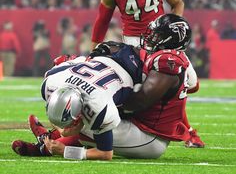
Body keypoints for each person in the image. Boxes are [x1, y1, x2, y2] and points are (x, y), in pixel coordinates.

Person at [12, 14, 203, 160]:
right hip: (142, 123)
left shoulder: (167, 61)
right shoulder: (176, 59)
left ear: (173, 39)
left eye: (158, 35)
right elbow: (193, 86)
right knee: (91, 112)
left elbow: (139, 102)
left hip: (149, 136)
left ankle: (47, 146)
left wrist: (110, 97)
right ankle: (50, 138)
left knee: (89, 114)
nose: (151, 37)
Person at [91, 0, 203, 147]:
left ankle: (182, 128)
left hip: (162, 37)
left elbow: (178, 3)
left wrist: (173, 31)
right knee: (141, 89)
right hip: (134, 43)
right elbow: (103, 18)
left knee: (191, 83)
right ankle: (187, 131)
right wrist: (94, 47)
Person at [91, 0, 184, 48]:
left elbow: (178, 3)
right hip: (133, 40)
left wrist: (173, 28)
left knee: (190, 79)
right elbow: (103, 20)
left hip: (160, 35)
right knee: (142, 78)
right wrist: (93, 49)